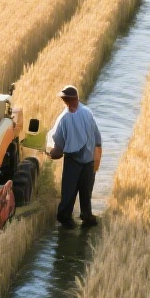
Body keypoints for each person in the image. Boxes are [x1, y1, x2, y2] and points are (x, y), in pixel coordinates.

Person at [46, 84, 101, 229]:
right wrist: (96, 159)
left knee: (69, 192)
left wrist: (50, 153)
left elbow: (58, 146)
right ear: (77, 98)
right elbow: (97, 138)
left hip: (73, 162)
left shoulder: (63, 119)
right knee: (86, 192)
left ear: (66, 101)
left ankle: (64, 218)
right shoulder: (88, 113)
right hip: (89, 161)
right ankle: (86, 216)